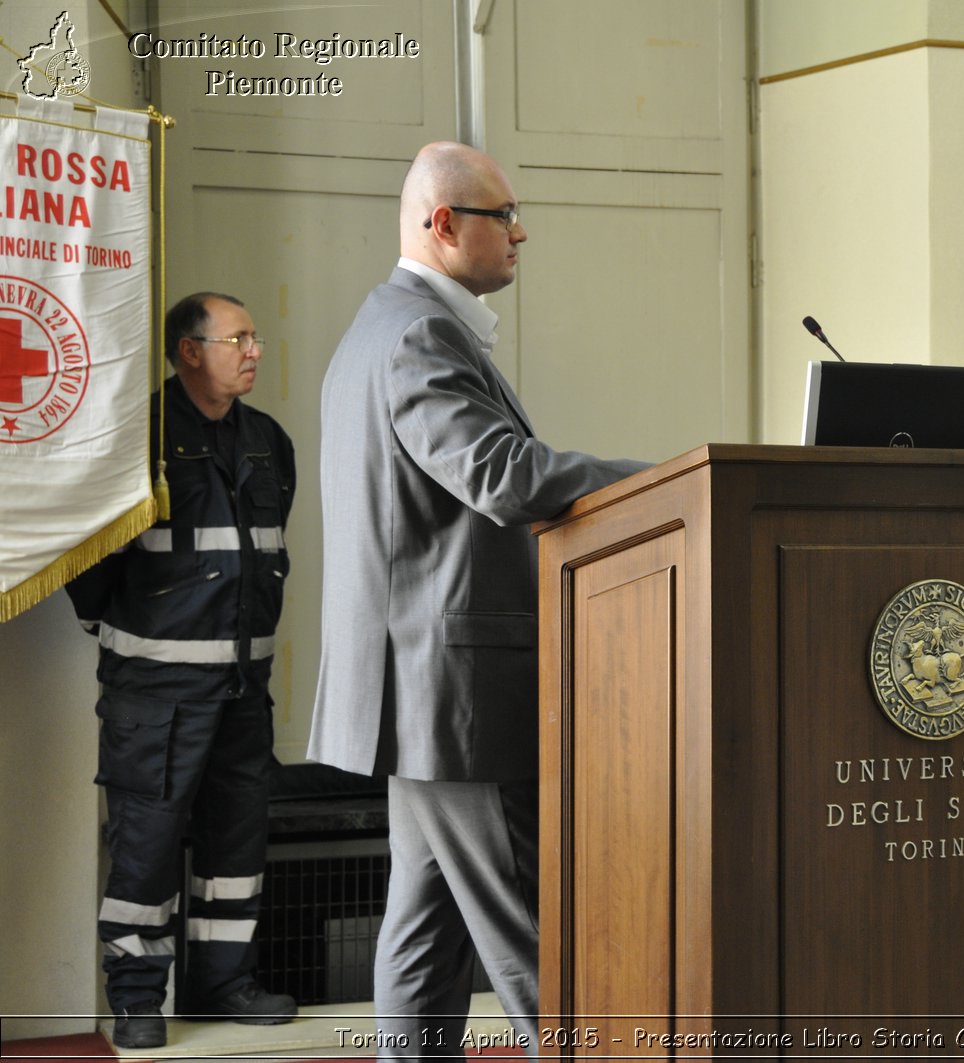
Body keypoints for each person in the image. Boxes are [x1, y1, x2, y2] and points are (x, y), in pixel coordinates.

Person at [308, 141, 647, 1059]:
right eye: (504, 215)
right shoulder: (419, 333)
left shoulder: (378, 328)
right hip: (452, 691)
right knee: (537, 933)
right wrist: (667, 480)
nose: (520, 231)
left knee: (425, 930)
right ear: (444, 223)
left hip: (416, 687)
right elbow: (497, 474)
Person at [66, 292, 298, 1050]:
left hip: (243, 691)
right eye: (239, 337)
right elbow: (90, 558)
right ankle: (137, 998)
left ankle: (223, 984)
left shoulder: (268, 440)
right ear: (189, 350)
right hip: (156, 695)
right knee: (146, 843)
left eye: (255, 336)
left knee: (236, 844)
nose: (255, 349)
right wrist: (126, 631)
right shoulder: (137, 437)